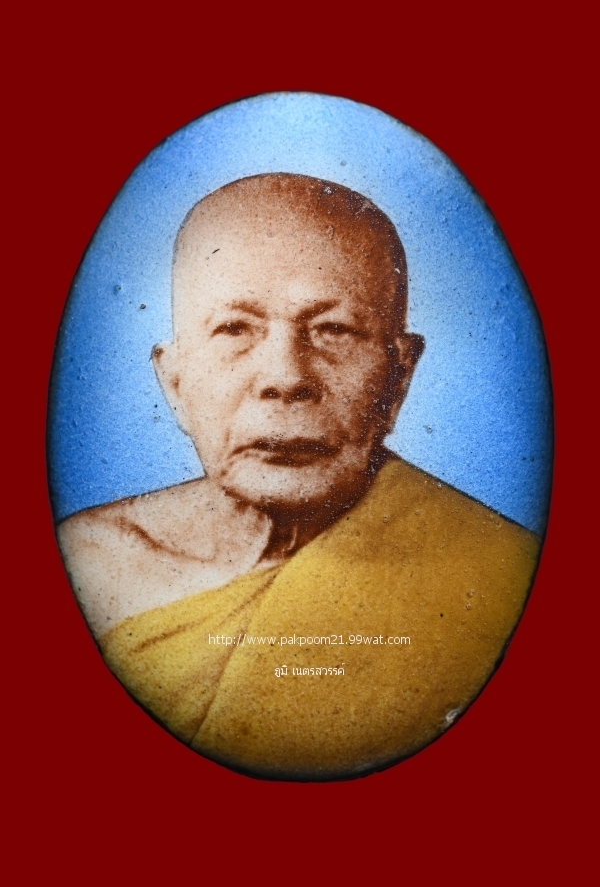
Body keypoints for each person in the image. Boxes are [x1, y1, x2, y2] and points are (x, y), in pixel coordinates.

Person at [57, 174, 540, 780]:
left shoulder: (500, 573)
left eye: (333, 330)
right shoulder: (86, 565)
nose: (285, 377)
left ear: (398, 378)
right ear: (174, 382)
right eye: (235, 329)